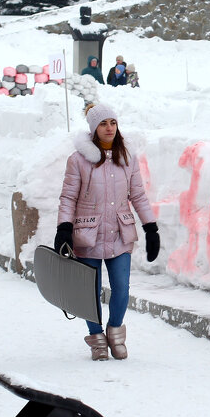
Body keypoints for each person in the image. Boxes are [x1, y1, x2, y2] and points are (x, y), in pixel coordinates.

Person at [54, 103, 159, 361]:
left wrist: (150, 227)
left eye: (112, 122)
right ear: (93, 128)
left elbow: (138, 196)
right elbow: (68, 197)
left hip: (119, 233)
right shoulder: (78, 160)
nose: (109, 128)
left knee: (121, 288)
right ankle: (96, 339)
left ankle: (115, 332)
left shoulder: (127, 158)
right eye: (103, 123)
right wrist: (64, 228)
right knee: (89, 291)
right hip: (87, 234)